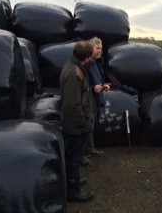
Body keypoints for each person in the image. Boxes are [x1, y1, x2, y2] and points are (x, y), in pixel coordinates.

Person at [60, 40, 96, 202]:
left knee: (75, 156)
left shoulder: (74, 67)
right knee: (74, 158)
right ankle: (73, 192)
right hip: (75, 126)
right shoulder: (74, 73)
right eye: (91, 56)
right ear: (86, 57)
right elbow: (72, 105)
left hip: (75, 124)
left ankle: (73, 182)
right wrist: (84, 123)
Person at [83, 37, 110, 164]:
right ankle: (86, 150)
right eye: (98, 48)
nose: (100, 51)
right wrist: (93, 88)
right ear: (90, 49)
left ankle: (91, 147)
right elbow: (82, 84)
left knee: (93, 122)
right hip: (89, 99)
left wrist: (104, 85)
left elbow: (101, 77)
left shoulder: (98, 63)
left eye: (101, 48)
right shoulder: (86, 64)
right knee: (87, 123)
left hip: (97, 97)